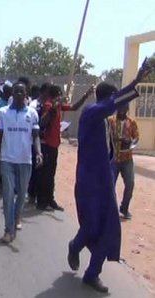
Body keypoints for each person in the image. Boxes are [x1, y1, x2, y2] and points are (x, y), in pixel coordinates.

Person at [68, 59, 152, 293]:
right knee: (92, 226)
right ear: (107, 98)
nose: (118, 106)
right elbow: (113, 102)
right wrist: (135, 82)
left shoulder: (103, 119)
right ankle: (75, 246)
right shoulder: (92, 113)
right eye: (114, 99)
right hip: (89, 181)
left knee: (109, 227)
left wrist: (134, 83)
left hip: (105, 180)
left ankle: (92, 274)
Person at [0, 82, 43, 243]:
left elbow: (35, 136)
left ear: (26, 94)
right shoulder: (2, 113)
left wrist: (39, 153)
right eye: (16, 92)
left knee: (22, 195)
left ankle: (17, 218)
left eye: (22, 92)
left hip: (25, 159)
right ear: (12, 94)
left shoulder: (32, 113)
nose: (19, 95)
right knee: (8, 195)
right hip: (7, 159)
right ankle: (8, 230)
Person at [35, 84, 91, 211]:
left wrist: (85, 96)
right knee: (45, 175)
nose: (61, 97)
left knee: (51, 174)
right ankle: (42, 201)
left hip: (54, 144)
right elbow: (43, 121)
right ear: (55, 95)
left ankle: (50, 199)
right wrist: (54, 107)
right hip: (47, 144)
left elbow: (74, 107)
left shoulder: (58, 105)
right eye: (59, 94)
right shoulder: (48, 105)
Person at [109, 103, 140, 219]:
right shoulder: (110, 121)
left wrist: (130, 142)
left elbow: (136, 137)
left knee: (130, 183)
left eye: (124, 108)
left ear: (127, 109)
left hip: (127, 158)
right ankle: (111, 209)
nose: (122, 110)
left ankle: (124, 207)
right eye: (120, 107)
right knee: (110, 184)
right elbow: (106, 136)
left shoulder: (132, 122)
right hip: (114, 158)